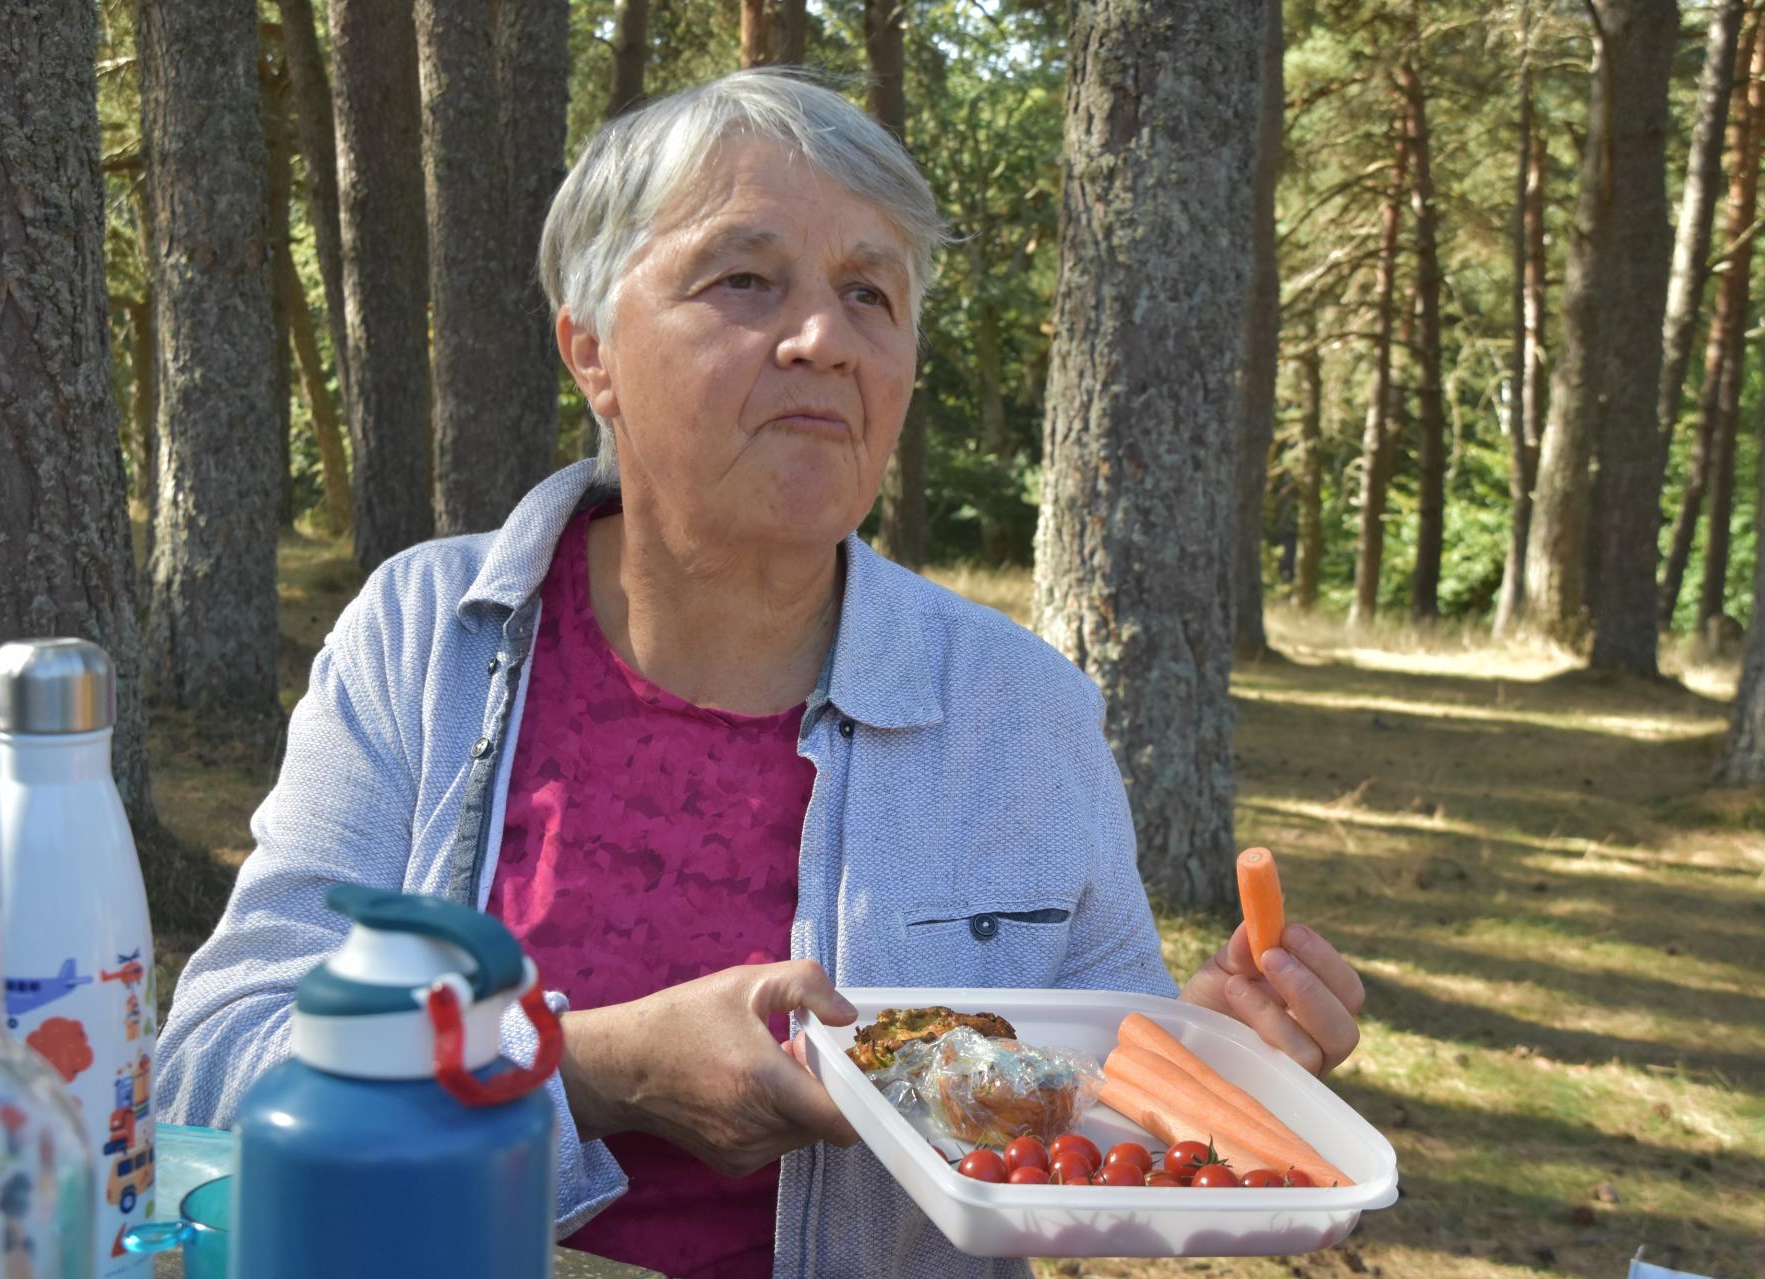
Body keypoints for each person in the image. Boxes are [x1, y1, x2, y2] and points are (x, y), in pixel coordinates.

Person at [155, 70, 1365, 1279]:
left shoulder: (1021, 711)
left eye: (868, 294)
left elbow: (1089, 1107)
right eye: (746, 279)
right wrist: (594, 1068)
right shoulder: (428, 639)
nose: (825, 338)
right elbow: (217, 1065)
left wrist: (1212, 1063)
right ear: (593, 350)